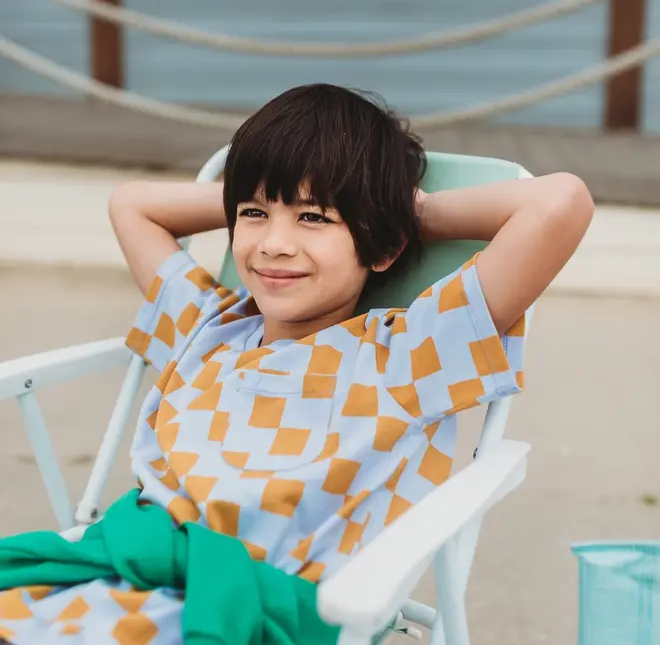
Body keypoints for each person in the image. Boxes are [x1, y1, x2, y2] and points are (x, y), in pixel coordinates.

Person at [0, 84, 594, 643]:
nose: (273, 244)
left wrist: (400, 210)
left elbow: (560, 201)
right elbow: (132, 205)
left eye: (314, 218)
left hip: (251, 602)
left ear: (385, 246)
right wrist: (263, 188)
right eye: (254, 214)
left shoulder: (408, 354)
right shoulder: (210, 325)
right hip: (122, 567)